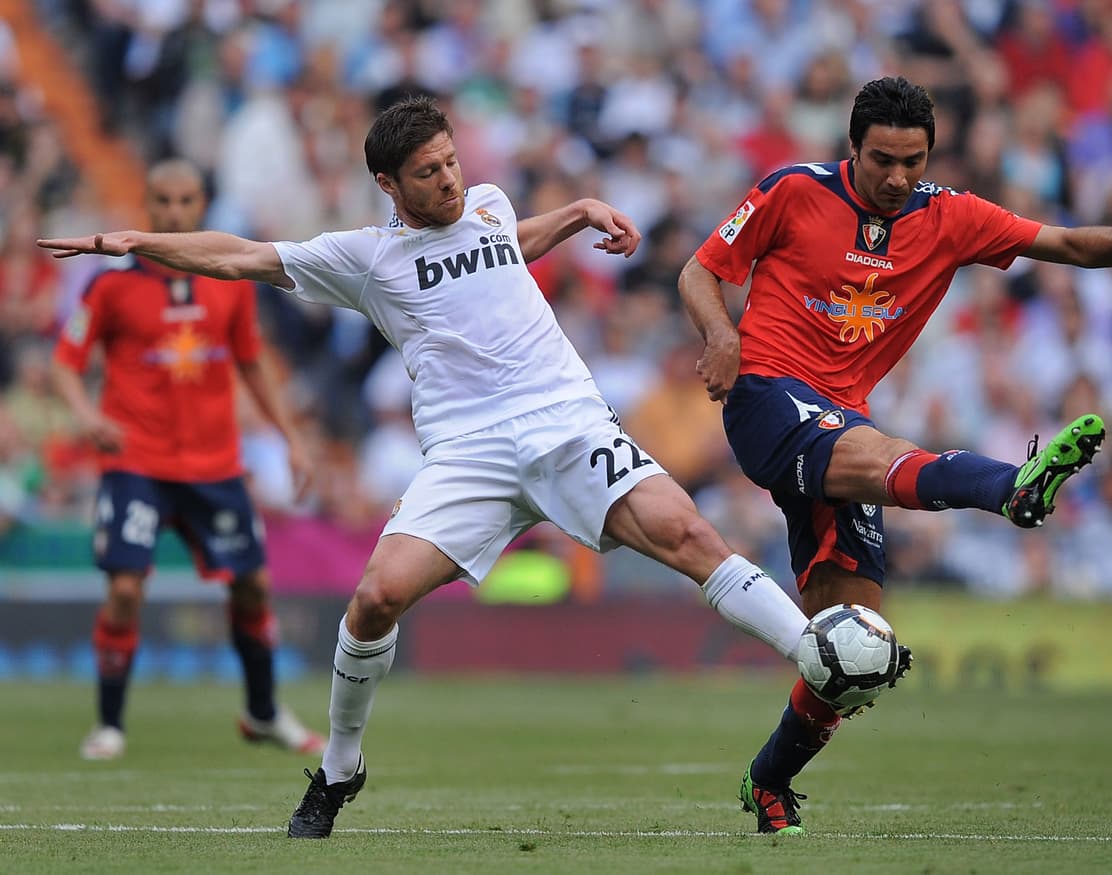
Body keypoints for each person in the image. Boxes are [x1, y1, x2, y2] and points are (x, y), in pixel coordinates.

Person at [38, 95, 821, 838]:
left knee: (687, 533)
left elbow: (509, 245)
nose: (447, 179)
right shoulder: (366, 257)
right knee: (375, 598)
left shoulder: (488, 204)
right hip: (468, 453)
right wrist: (139, 244)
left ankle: (819, 655)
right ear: (389, 183)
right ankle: (341, 768)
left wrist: (580, 211)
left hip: (566, 421)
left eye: (450, 162)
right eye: (428, 172)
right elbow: (240, 256)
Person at [678, 75, 1112, 835]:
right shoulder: (792, 191)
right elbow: (700, 269)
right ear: (851, 148)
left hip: (840, 422)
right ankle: (1010, 489)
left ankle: (767, 782)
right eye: (882, 160)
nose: (897, 178)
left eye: (912, 161)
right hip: (768, 397)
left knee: (856, 650)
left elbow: (1054, 242)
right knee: (885, 453)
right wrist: (721, 334)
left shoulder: (949, 217)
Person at [48, 159, 323, 761]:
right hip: (137, 463)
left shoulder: (229, 283)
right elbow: (66, 362)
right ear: (148, 207)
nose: (175, 212)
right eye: (163, 201)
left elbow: (253, 364)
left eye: (186, 201)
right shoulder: (110, 286)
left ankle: (263, 711)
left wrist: (290, 437)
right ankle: (110, 725)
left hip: (215, 465)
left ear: (201, 206)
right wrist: (88, 417)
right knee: (125, 589)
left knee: (252, 586)